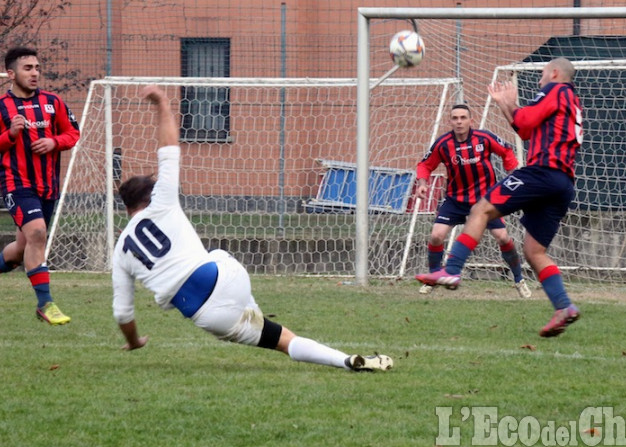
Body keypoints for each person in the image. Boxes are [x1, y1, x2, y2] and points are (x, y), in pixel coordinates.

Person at [112, 85, 392, 372]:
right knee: (227, 266)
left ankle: (260, 318)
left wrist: (134, 341)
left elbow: (123, 313)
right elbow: (168, 150)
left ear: (126, 207)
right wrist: (162, 104)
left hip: (207, 314)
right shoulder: (163, 201)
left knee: (273, 337)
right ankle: (344, 360)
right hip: (229, 278)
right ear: (152, 194)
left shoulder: (121, 251)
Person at [416, 58, 583, 337]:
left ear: (554, 73)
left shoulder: (556, 89)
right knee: (534, 251)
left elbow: (525, 119)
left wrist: (512, 102)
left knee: (481, 209)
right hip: (563, 182)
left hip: (542, 171)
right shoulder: (571, 100)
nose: (540, 81)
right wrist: (505, 105)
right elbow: (527, 130)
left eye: (542, 75)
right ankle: (563, 306)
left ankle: (452, 269)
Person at [414, 104, 530, 298]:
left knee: (502, 237)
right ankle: (434, 278)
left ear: (470, 120)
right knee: (436, 236)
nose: (459, 122)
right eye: (455, 118)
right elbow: (424, 165)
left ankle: (519, 279)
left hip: (485, 201)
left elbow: (507, 152)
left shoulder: (484, 138)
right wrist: (422, 183)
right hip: (455, 200)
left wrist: (512, 177)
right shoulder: (442, 144)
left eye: (463, 117)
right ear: (450, 121)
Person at [0, 47, 80, 325]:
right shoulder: (1, 107)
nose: (35, 73)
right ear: (11, 74)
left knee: (23, 249)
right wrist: (10, 135)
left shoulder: (53, 102)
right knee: (37, 232)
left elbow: (73, 133)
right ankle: (46, 304)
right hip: (16, 184)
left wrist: (54, 142)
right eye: (27, 68)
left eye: (37, 68)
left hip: (48, 187)